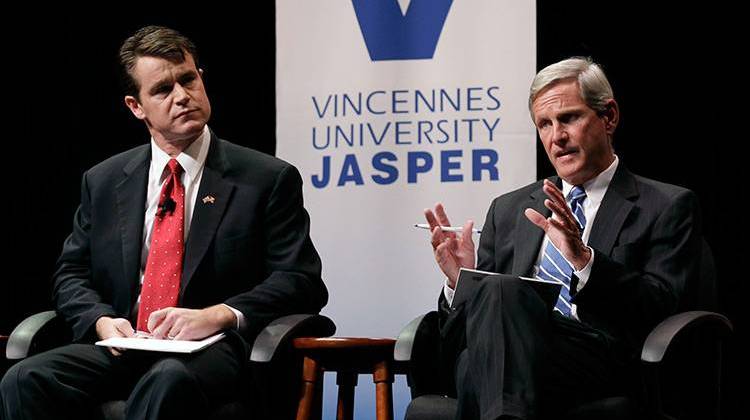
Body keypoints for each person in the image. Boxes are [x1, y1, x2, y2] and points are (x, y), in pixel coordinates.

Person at [0, 25, 327, 419]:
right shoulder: (103, 181)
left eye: (188, 80)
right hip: (125, 345)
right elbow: (71, 273)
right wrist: (102, 321)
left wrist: (220, 313)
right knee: (25, 377)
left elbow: (300, 279)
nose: (182, 96)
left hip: (212, 351)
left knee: (167, 378)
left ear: (201, 78)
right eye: (162, 90)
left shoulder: (266, 178)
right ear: (135, 106)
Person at [424, 57, 701, 419]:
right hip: (511, 358)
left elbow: (662, 309)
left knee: (479, 367)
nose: (557, 137)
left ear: (609, 117)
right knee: (494, 302)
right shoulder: (507, 210)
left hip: (599, 358)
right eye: (544, 124)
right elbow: (467, 331)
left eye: (569, 118)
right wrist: (460, 282)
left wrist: (584, 260)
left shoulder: (665, 206)